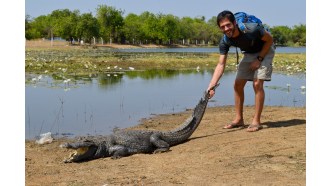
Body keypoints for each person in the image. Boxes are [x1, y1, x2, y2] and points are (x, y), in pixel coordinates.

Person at [207, 10, 275, 132]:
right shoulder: (225, 40)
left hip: (265, 50)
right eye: (222, 27)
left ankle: (256, 121)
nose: (226, 28)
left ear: (234, 22)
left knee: (257, 83)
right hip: (249, 52)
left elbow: (270, 40)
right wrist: (211, 86)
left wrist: (259, 59)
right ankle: (239, 120)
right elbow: (221, 64)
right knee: (237, 84)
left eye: (228, 25)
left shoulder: (252, 29)